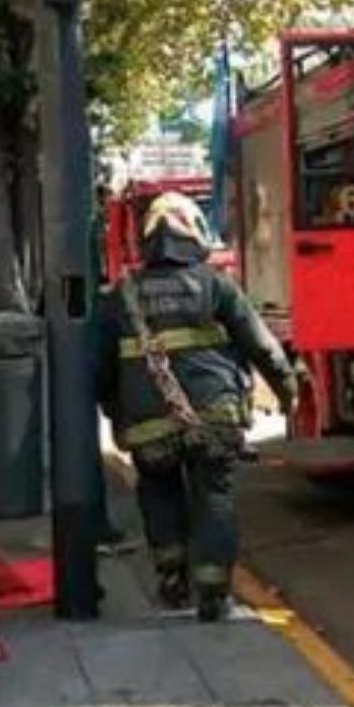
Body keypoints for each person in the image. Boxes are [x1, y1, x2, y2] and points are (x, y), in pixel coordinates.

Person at [94, 192, 296, 621]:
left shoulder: (119, 296)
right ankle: (212, 592)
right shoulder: (215, 285)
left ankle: (172, 576)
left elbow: (98, 370)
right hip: (214, 417)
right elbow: (261, 347)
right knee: (214, 495)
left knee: (159, 492)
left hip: (149, 426)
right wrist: (288, 393)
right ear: (194, 232)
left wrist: (116, 413)